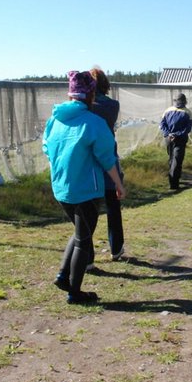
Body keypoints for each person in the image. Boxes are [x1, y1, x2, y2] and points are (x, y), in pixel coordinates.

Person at [43, 70, 126, 305]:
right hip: (86, 189)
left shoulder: (55, 120)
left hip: (61, 187)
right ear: (91, 95)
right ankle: (75, 292)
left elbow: (47, 148)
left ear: (70, 94)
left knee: (80, 232)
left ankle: (62, 276)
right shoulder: (94, 123)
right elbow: (107, 159)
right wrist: (118, 185)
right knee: (83, 238)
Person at [89, 67, 126, 262]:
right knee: (113, 207)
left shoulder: (89, 107)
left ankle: (86, 254)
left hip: (90, 162)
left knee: (89, 211)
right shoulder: (113, 105)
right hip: (110, 157)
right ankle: (116, 247)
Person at [159, 92, 192, 190]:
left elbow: (187, 128)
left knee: (175, 159)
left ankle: (173, 183)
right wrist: (170, 134)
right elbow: (163, 124)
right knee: (174, 160)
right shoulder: (185, 112)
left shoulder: (187, 112)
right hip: (174, 138)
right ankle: (174, 182)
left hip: (174, 139)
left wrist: (170, 134)